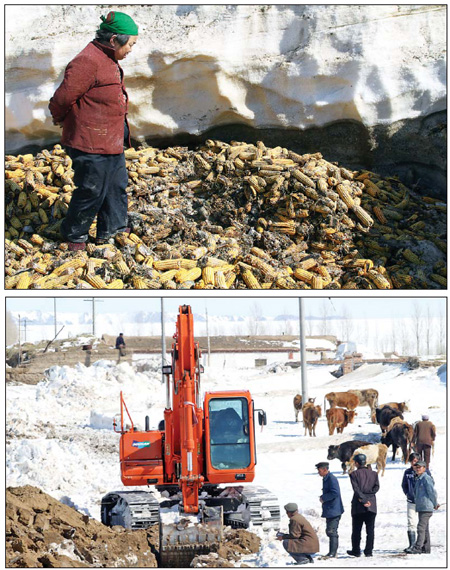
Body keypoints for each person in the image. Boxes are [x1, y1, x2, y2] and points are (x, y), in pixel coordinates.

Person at [49, 11, 138, 251]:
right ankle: (73, 235)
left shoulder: (107, 59)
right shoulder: (87, 61)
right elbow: (63, 98)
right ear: (113, 41)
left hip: (111, 138)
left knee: (115, 186)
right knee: (92, 190)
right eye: (130, 44)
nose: (131, 49)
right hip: (89, 141)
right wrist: (60, 119)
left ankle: (113, 229)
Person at [347, 453, 380, 558]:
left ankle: (356, 550)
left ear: (356, 463)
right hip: (372, 504)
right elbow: (376, 488)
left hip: (358, 505)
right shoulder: (374, 474)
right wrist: (369, 498)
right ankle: (369, 551)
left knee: (356, 529)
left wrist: (363, 500)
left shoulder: (354, 474)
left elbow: (356, 490)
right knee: (370, 530)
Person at [405, 461, 439, 554]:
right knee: (425, 528)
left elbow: (432, 492)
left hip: (426, 506)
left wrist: (435, 503)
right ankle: (426, 548)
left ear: (424, 468)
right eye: (416, 467)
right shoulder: (419, 478)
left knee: (420, 527)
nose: (417, 469)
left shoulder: (426, 478)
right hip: (421, 506)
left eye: (420, 467)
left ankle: (417, 547)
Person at [401, 452, 433, 551]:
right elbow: (404, 485)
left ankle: (424, 546)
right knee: (411, 522)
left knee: (423, 524)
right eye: (412, 461)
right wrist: (408, 493)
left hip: (422, 501)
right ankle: (412, 544)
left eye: (416, 461)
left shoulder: (425, 472)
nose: (414, 463)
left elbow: (431, 486)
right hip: (411, 500)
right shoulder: (407, 472)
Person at [316, 462, 344, 558]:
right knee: (330, 531)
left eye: (319, 471)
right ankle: (332, 552)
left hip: (334, 509)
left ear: (325, 470)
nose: (318, 473)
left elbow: (335, 493)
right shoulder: (326, 478)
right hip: (330, 509)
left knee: (332, 531)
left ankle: (333, 553)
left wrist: (324, 497)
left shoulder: (331, 479)